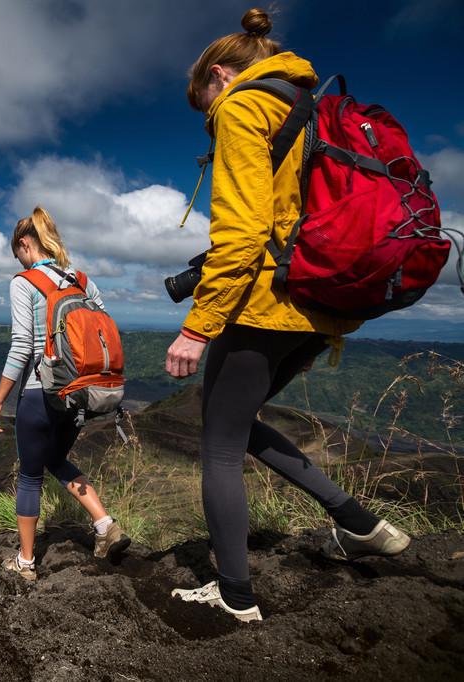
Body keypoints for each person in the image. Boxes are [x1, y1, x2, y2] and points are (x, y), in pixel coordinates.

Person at [165, 8, 410, 622]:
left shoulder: (245, 107)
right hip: (320, 306)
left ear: (220, 76)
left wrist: (199, 325)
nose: (208, 122)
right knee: (238, 423)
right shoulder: (311, 107)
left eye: (204, 107)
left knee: (218, 445)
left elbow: (244, 231)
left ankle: (235, 596)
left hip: (266, 304)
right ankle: (358, 523)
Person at [0, 206, 130, 581]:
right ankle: (104, 526)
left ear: (25, 244)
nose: (17, 259)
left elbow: (21, 347)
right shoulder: (82, 281)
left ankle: (26, 562)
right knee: (55, 458)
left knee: (31, 476)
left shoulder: (24, 281)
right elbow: (104, 332)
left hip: (40, 391)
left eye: (16, 252)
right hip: (80, 394)